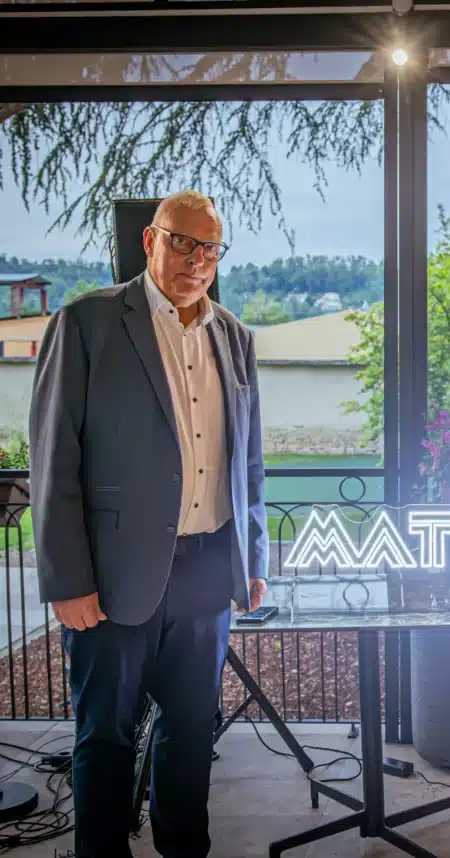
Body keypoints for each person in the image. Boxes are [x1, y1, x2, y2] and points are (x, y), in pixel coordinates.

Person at [29, 190, 269, 858]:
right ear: (150, 241)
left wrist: (253, 561)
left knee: (193, 730)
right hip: (111, 578)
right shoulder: (87, 323)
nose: (196, 260)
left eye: (210, 248)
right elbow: (55, 461)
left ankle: (184, 849)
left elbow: (249, 463)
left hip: (207, 570)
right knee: (105, 737)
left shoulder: (235, 337)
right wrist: (66, 580)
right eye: (182, 242)